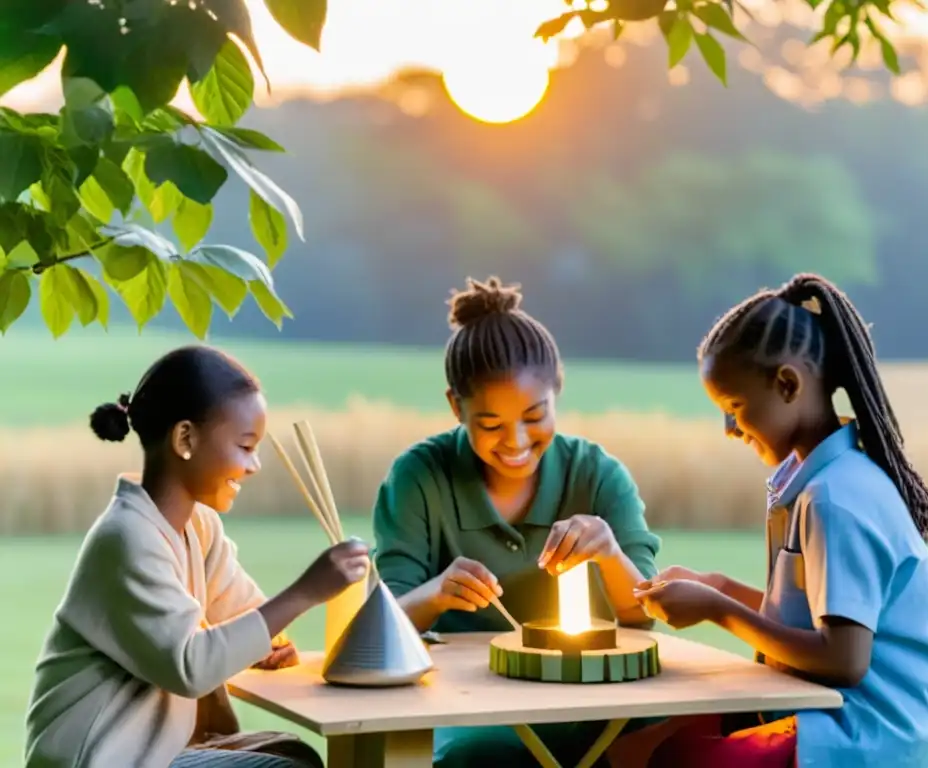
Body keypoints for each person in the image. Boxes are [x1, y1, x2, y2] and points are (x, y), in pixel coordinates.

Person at [607, 273, 928, 768]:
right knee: (633, 747)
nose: (729, 428)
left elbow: (843, 660)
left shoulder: (836, 497)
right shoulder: (818, 480)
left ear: (787, 384)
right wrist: (718, 586)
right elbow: (814, 621)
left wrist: (716, 609)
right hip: (823, 712)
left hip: (864, 734)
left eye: (734, 407)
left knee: (669, 757)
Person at [24, 345, 371, 768]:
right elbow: (192, 666)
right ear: (185, 438)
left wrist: (268, 641)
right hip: (105, 757)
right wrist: (306, 592)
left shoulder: (199, 528)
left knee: (292, 752)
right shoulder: (127, 537)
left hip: (157, 750)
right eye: (245, 446)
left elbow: (244, 612)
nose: (255, 465)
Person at [372, 276, 663, 767]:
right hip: (473, 706)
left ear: (558, 389)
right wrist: (438, 591)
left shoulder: (597, 475)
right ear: (455, 407)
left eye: (535, 416)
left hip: (595, 699)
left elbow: (643, 614)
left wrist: (610, 554)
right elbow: (383, 626)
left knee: (675, 736)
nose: (517, 441)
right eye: (490, 426)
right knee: (480, 757)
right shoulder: (420, 476)